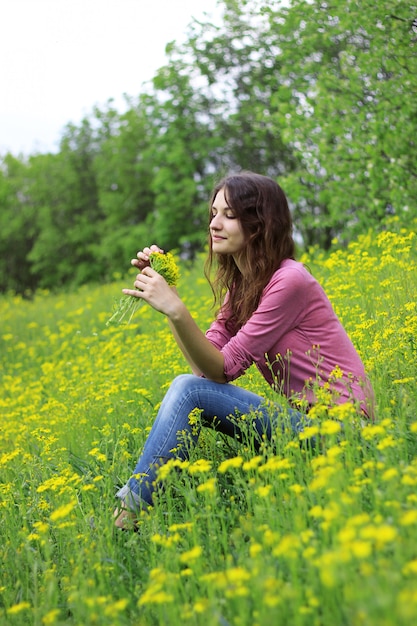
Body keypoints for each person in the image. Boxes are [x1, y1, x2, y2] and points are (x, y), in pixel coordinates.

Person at [114, 171, 374, 529]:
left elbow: (221, 370)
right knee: (189, 389)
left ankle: (128, 515)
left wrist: (176, 308)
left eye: (229, 216)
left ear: (258, 225)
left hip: (344, 436)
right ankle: (137, 511)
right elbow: (205, 371)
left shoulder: (289, 281)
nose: (214, 224)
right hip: (309, 429)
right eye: (213, 213)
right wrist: (170, 300)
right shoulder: (246, 288)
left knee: (188, 391)